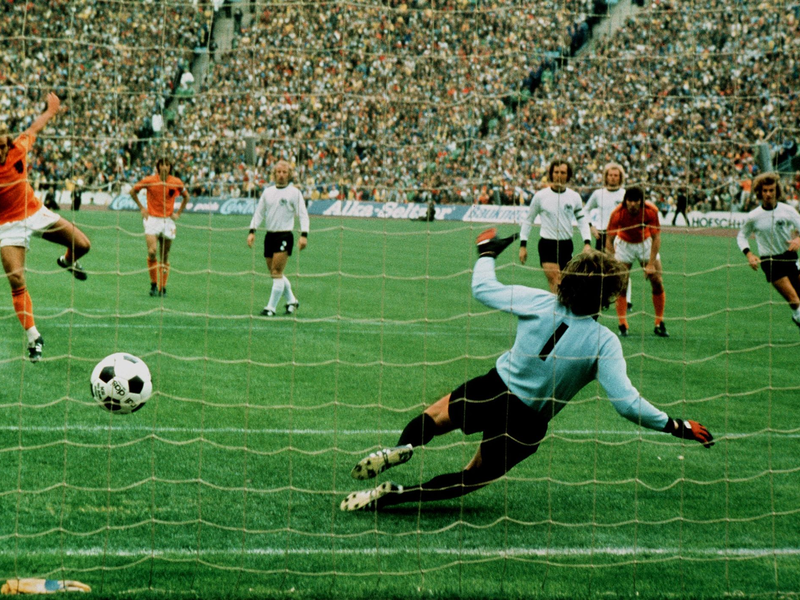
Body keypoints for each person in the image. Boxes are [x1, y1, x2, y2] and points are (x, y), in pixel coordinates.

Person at [340, 229, 714, 511]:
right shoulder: (604, 342)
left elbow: (483, 288)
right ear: (608, 295)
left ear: (569, 278)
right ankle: (395, 496)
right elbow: (626, 404)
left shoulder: (540, 302)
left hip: (495, 387)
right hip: (528, 420)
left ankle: (403, 447)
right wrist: (674, 425)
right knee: (473, 478)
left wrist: (486, 252)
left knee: (435, 417)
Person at [0, 93, 91, 362]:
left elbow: (34, 128)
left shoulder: (19, 148)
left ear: (8, 143)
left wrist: (51, 111)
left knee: (83, 245)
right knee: (16, 278)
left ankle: (66, 260)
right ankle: (34, 337)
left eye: (2, 146)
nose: (1, 152)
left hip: (35, 212)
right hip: (7, 226)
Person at [736, 172, 800, 330]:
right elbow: (741, 236)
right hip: (770, 262)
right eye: (765, 191)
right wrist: (749, 254)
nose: (768, 194)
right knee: (794, 299)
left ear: (776, 191)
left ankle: (797, 317)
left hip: (790, 257)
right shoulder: (754, 216)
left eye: (771, 190)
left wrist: (798, 239)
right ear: (759, 192)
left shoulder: (787, 210)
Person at [247, 160, 309, 316]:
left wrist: (304, 235)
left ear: (289, 175)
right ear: (274, 174)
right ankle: (292, 301)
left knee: (276, 271)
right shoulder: (268, 192)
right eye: (279, 172)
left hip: (284, 235)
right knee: (275, 274)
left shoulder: (294, 193)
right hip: (270, 236)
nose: (281, 175)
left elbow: (303, 215)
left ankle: (270, 308)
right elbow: (259, 212)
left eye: (284, 172)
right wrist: (252, 230)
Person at [519, 158, 592, 293]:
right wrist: (523, 245)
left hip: (566, 245)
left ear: (568, 175)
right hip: (548, 244)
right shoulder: (540, 196)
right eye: (556, 172)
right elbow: (528, 220)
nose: (559, 175)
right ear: (551, 174)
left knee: (565, 283)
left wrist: (587, 242)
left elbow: (582, 220)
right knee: (555, 279)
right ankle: (556, 313)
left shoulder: (574, 197)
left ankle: (558, 310)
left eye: (563, 172)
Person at [605, 185, 668, 338]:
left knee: (657, 280)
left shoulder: (651, 211)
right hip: (624, 244)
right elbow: (609, 238)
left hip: (645, 243)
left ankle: (659, 322)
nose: (632, 204)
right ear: (625, 201)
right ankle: (622, 324)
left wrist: (651, 263)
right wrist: (612, 259)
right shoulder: (617, 213)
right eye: (629, 201)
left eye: (636, 201)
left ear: (641, 201)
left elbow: (656, 237)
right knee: (622, 283)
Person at [130, 157, 190, 297]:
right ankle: (153, 285)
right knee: (152, 251)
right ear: (158, 167)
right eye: (162, 164)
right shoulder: (150, 180)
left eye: (167, 164)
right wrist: (142, 208)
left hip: (168, 221)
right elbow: (133, 191)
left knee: (165, 254)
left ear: (170, 167)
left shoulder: (176, 182)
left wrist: (178, 213)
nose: (164, 167)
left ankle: (163, 288)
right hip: (152, 219)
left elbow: (186, 197)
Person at [585, 162, 632, 308]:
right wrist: (591, 227)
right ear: (606, 177)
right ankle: (602, 299)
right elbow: (585, 210)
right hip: (603, 234)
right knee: (601, 269)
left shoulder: (625, 194)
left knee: (622, 269)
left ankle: (626, 300)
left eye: (616, 175)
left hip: (620, 236)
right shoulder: (598, 194)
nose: (613, 178)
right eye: (610, 175)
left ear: (620, 177)